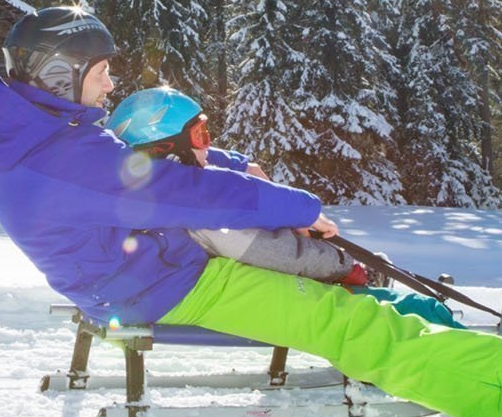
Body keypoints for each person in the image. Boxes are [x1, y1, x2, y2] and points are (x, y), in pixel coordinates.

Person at [0, 6, 502, 417]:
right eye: (103, 73)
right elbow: (177, 192)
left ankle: (484, 367)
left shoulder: (43, 133)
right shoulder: (57, 160)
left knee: (343, 305)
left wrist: (231, 161)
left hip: (149, 265)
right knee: (336, 319)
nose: (112, 86)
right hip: (153, 286)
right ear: (59, 74)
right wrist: (302, 209)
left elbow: (133, 165)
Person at [107, 86, 463, 329]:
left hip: (223, 288)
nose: (208, 145)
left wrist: (240, 166)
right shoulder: (202, 215)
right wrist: (346, 265)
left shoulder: (150, 192)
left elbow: (200, 162)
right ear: (167, 149)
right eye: (200, 136)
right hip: (263, 292)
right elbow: (276, 254)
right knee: (399, 309)